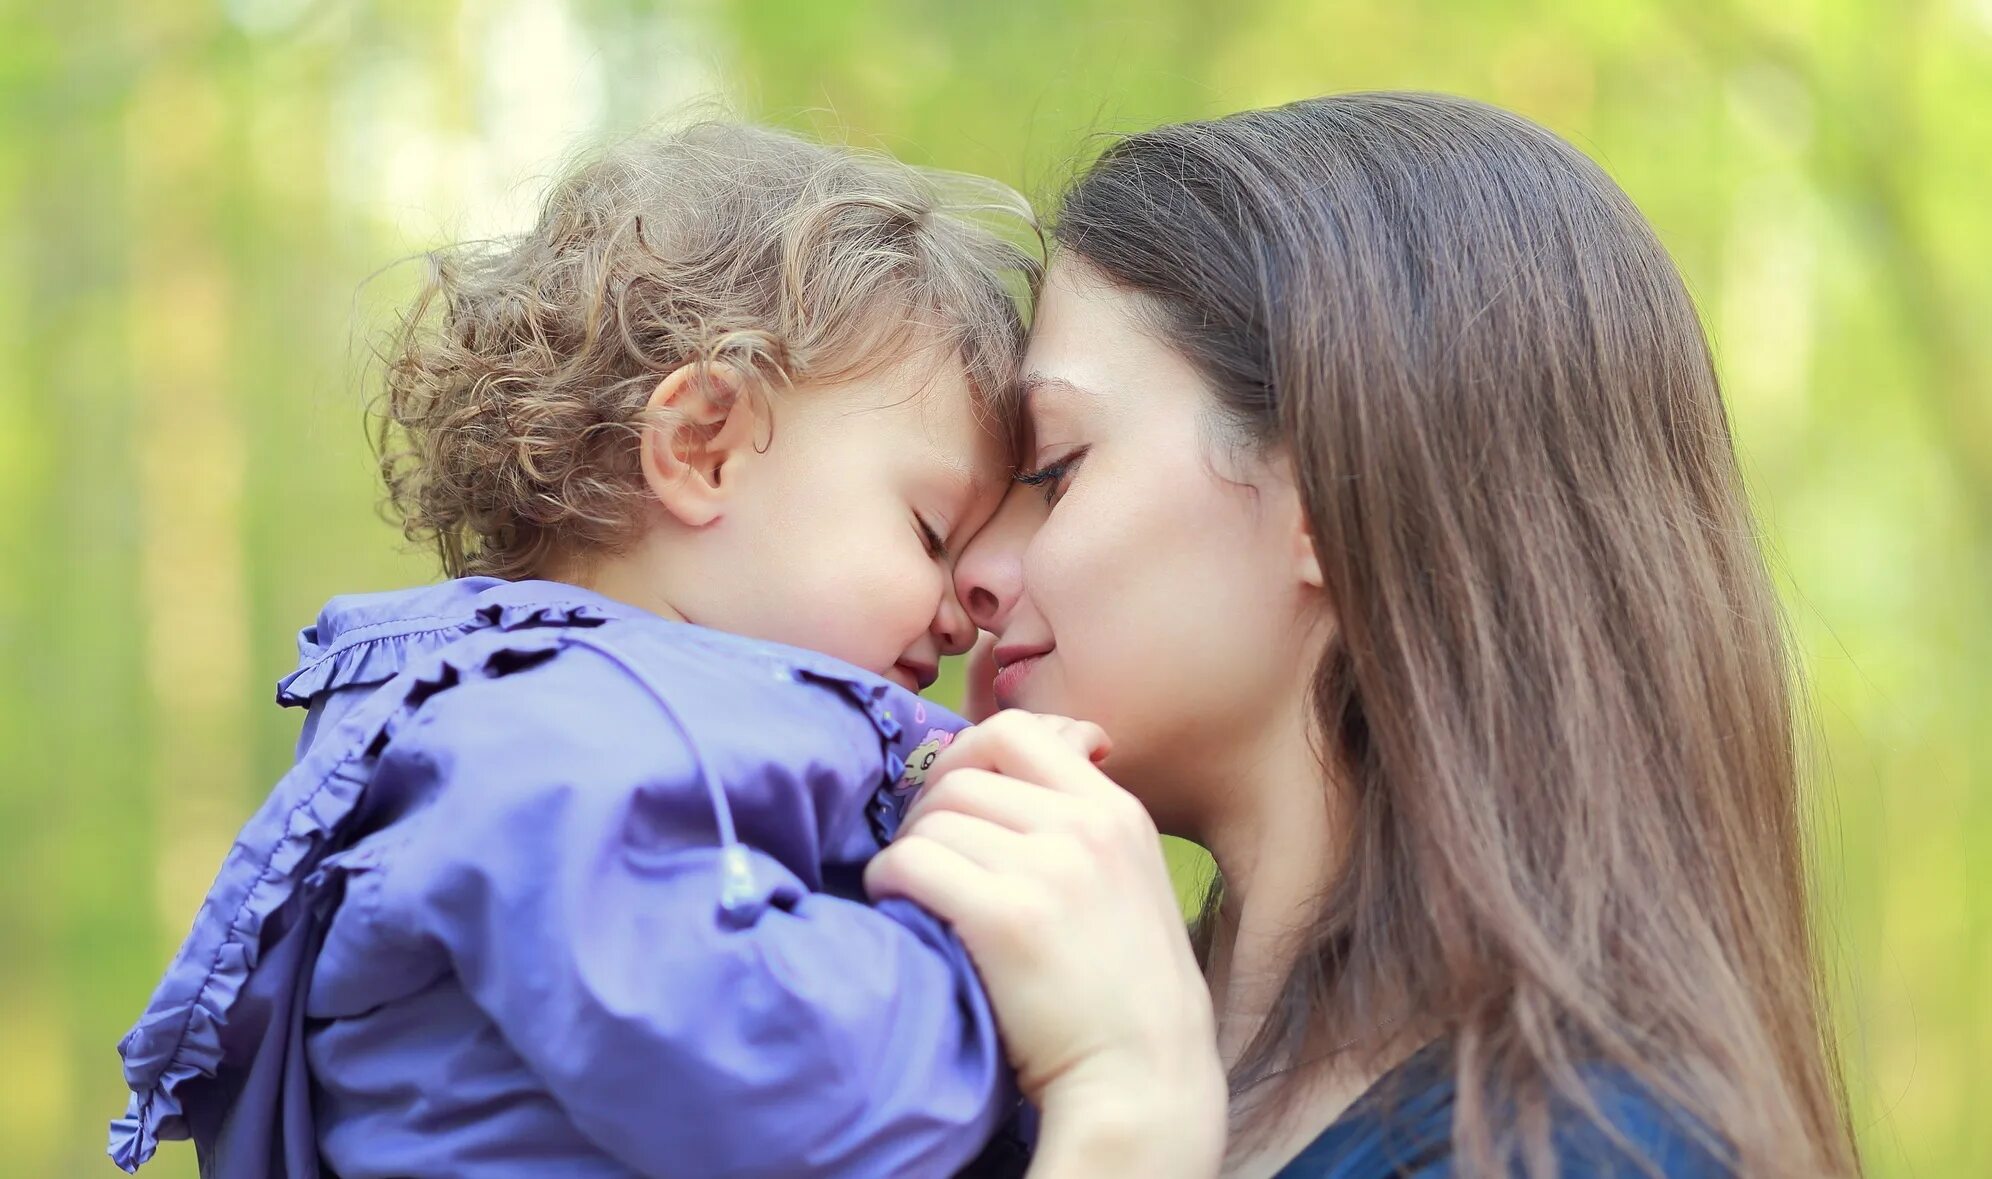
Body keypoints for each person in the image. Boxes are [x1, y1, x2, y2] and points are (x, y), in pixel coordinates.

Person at [871, 92, 1861, 1178]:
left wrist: (1125, 1117)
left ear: (1326, 499)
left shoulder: (1590, 1152)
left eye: (1057, 469)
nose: (970, 571)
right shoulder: (1005, 1050)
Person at [108, 121, 1095, 1178]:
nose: (964, 616)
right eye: (931, 535)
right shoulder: (548, 742)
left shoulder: (591, 728)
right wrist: (1054, 989)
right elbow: (790, 1082)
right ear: (703, 448)